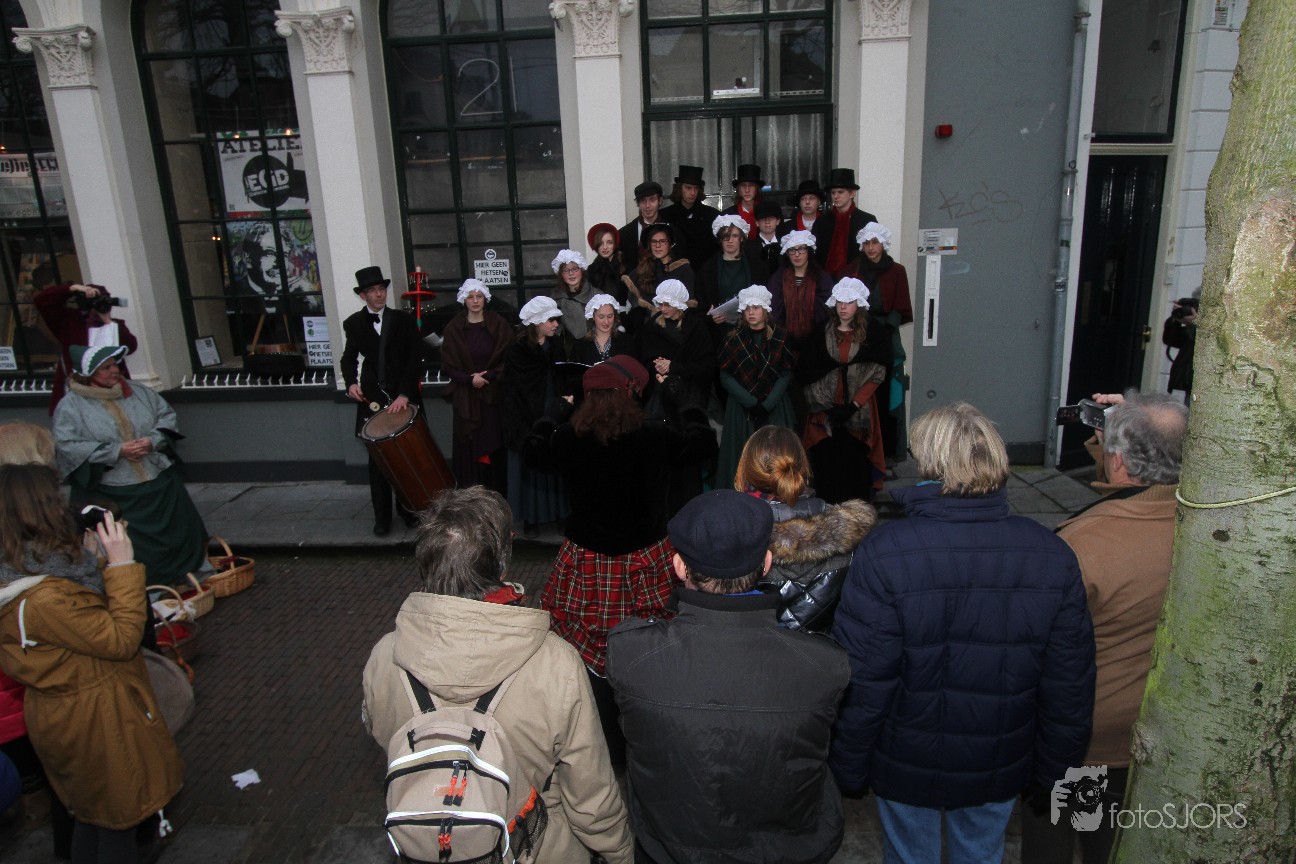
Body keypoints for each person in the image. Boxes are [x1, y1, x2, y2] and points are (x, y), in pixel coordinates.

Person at [831, 403, 1096, 864]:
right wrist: (1056, 770)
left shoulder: (885, 552)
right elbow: (1068, 683)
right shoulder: (1051, 553)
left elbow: (864, 679)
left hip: (906, 762)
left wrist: (848, 765)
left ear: (928, 462)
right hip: (998, 761)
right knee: (980, 854)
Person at [361, 486, 633, 864]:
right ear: (502, 564)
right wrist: (620, 852)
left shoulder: (385, 658)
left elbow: (388, 740)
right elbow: (590, 794)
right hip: (535, 849)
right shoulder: (557, 664)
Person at [607, 489, 850, 864]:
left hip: (668, 848)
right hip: (786, 851)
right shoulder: (825, 666)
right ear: (766, 563)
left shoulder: (629, 655)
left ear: (679, 567)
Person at [1019, 390, 1187, 864]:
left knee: (1059, 837)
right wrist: (1112, 437)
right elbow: (1137, 486)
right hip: (1156, 727)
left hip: (1089, 739)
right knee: (1112, 845)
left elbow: (1039, 645)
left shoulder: (1082, 545)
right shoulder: (1205, 527)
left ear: (1117, 460)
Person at [0, 463, 184, 864]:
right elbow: (121, 640)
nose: (63, 507)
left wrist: (95, 560)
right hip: (94, 720)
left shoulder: (35, 571)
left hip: (79, 711)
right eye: (55, 501)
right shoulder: (43, 598)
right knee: (115, 820)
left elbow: (83, 619)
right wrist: (121, 566)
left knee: (93, 815)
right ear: (35, 511)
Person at [537, 357, 717, 761]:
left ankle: (605, 741)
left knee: (587, 654)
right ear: (632, 392)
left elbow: (535, 448)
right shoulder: (654, 436)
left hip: (587, 562)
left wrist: (554, 412)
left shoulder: (567, 438)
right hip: (645, 562)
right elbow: (705, 442)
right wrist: (684, 400)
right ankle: (646, 734)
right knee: (649, 650)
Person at [53, 345, 209, 584]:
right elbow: (67, 444)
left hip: (156, 475)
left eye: (115, 364)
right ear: (88, 374)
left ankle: (188, 572)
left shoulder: (140, 392)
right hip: (112, 488)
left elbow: (166, 416)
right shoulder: (71, 406)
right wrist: (116, 451)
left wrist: (151, 441)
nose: (115, 370)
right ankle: (145, 586)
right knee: (131, 542)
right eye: (106, 368)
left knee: (181, 527)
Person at [735, 426, 876, 633]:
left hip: (745, 648)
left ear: (746, 468)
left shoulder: (726, 531)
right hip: (822, 650)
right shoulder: (847, 531)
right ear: (802, 465)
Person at [341, 266, 424, 536]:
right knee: (378, 462)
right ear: (363, 295)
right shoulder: (353, 323)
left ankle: (409, 511)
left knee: (406, 458)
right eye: (372, 291)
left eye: (381, 289)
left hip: (403, 395)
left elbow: (415, 358)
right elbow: (348, 359)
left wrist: (405, 394)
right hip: (373, 398)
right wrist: (351, 383)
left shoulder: (403, 320)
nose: (379, 294)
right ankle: (382, 518)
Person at [796, 278, 890, 502]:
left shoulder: (873, 333)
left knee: (855, 464)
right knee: (827, 464)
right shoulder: (821, 332)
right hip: (825, 411)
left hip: (858, 408)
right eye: (840, 302)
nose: (843, 307)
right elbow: (807, 371)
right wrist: (827, 407)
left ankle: (855, 514)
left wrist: (853, 405)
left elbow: (877, 372)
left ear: (859, 305)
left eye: (849, 302)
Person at [847, 221, 915, 460]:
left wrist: (885, 329)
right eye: (866, 242)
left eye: (875, 242)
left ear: (883, 244)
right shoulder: (852, 270)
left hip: (886, 335)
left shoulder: (897, 271)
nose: (870, 247)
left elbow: (901, 306)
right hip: (859, 334)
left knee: (887, 394)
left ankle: (887, 453)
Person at [715, 285, 794, 489]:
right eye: (747, 308)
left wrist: (768, 404)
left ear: (765, 310)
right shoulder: (733, 338)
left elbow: (786, 373)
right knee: (741, 455)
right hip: (741, 408)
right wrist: (750, 402)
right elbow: (725, 375)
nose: (751, 312)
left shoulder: (780, 336)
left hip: (774, 405)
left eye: (756, 307)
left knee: (776, 453)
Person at [503, 295, 569, 536]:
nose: (555, 324)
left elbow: (562, 375)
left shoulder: (556, 345)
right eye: (551, 320)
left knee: (555, 463)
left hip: (553, 410)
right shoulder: (518, 350)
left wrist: (564, 399)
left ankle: (561, 514)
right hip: (526, 416)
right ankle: (531, 518)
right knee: (531, 467)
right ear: (537, 321)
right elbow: (515, 389)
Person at [439, 278, 512, 494]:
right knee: (469, 447)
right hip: (466, 398)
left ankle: (496, 494)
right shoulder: (454, 328)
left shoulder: (499, 324)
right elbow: (448, 366)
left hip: (492, 396)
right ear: (464, 300)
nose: (475, 301)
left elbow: (509, 358)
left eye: (479, 296)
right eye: (470, 297)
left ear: (485, 298)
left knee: (494, 444)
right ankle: (472, 496)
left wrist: (489, 375)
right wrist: (469, 379)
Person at [34, 282, 138, 414]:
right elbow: (42, 300)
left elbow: (131, 347)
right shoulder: (69, 321)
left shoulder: (114, 325)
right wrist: (73, 288)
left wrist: (108, 322)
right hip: (79, 388)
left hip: (112, 388)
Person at [635, 279, 714, 413]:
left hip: (689, 394)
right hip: (659, 394)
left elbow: (706, 365)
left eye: (668, 304)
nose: (663, 308)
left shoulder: (696, 327)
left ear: (678, 303)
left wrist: (673, 366)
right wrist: (658, 366)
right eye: (660, 304)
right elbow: (644, 358)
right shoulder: (652, 326)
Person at [695, 214, 768, 334]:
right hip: (720, 329)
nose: (730, 240)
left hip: (749, 327)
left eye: (734, 236)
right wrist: (710, 316)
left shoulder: (756, 266)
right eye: (725, 236)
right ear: (720, 239)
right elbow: (702, 301)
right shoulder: (708, 268)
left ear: (741, 238)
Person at [768, 229, 834, 354]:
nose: (797, 254)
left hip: (815, 342)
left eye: (801, 249)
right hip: (784, 342)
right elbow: (774, 311)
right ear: (787, 253)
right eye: (792, 250)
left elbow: (826, 312)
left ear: (809, 251)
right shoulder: (778, 279)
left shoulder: (822, 279)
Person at [623, 222, 694, 326]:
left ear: (670, 244)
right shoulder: (643, 268)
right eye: (654, 241)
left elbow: (689, 304)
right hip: (650, 325)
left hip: (677, 325)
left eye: (662, 241)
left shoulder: (683, 269)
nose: (657, 245)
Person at [813, 168, 878, 277]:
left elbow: (874, 252)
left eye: (840, 192)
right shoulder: (822, 222)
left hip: (858, 278)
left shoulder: (866, 220)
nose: (835, 196)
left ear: (852, 193)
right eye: (833, 193)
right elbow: (815, 254)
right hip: (827, 279)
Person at [660, 164, 721, 269]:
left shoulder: (712, 216)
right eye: (688, 188)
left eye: (696, 188)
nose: (692, 193)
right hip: (676, 272)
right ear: (679, 188)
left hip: (705, 272)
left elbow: (717, 250)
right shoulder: (665, 216)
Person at [568, 294, 634, 367]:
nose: (606, 321)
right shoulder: (580, 346)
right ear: (593, 317)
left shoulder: (626, 342)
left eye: (610, 316)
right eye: (601, 317)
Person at [619, 181, 667, 274]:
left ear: (660, 201)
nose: (647, 205)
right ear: (638, 203)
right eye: (643, 201)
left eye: (652, 200)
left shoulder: (672, 231)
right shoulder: (624, 234)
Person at [1162, 295, 1198, 403]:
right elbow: (1170, 340)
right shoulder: (1190, 329)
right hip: (1190, 383)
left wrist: (1197, 323)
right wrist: (1175, 320)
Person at [585, 222, 628, 304]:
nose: (605, 247)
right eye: (601, 243)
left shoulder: (625, 267)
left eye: (609, 242)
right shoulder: (591, 271)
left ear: (615, 244)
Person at [722, 163, 764, 239]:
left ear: (757, 188)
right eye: (743, 185)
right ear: (738, 189)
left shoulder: (767, 213)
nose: (747, 190)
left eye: (751, 185)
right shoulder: (726, 215)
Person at [749, 200, 786, 274]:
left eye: (771, 218)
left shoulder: (786, 245)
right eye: (763, 218)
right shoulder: (748, 248)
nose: (767, 222)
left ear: (778, 221)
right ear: (757, 223)